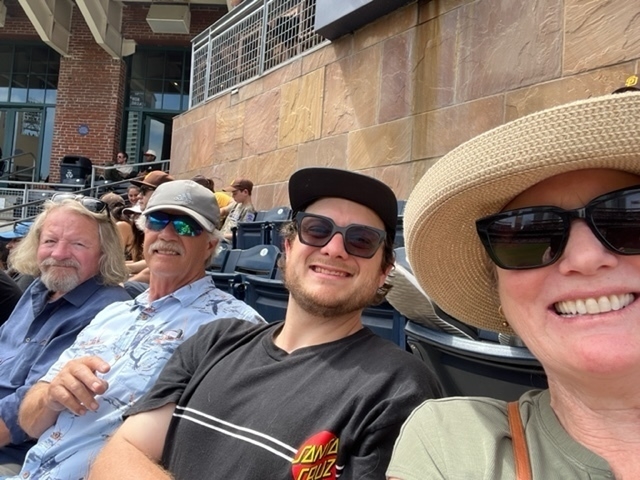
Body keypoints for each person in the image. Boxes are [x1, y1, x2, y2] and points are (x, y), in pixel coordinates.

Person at [88, 167, 442, 480]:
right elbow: (118, 456)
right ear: (287, 248)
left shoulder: (399, 387)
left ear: (383, 272)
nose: (335, 249)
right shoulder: (214, 340)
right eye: (316, 230)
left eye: (361, 240)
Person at [386, 90, 640, 480]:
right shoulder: (453, 445)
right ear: (501, 297)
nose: (586, 258)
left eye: (630, 220)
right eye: (526, 236)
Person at [10, 180, 264, 480]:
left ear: (210, 244)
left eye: (185, 226)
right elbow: (29, 423)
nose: (167, 234)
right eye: (157, 221)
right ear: (144, 232)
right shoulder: (113, 314)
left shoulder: (236, 327)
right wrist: (51, 396)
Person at [0, 194, 130, 475]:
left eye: (77, 244)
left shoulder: (108, 311)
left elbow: (23, 412)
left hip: (17, 453)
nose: (59, 254)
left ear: (104, 253)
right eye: (50, 241)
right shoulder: (40, 288)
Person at [1, 221, 35, 291]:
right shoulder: (19, 272)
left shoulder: (29, 276)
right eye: (10, 240)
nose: (8, 245)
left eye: (17, 240)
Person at [220, 178, 256, 242]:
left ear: (245, 192)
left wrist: (222, 236)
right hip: (221, 239)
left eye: (235, 193)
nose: (232, 196)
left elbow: (243, 234)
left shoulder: (249, 210)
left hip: (229, 243)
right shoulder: (236, 204)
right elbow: (224, 210)